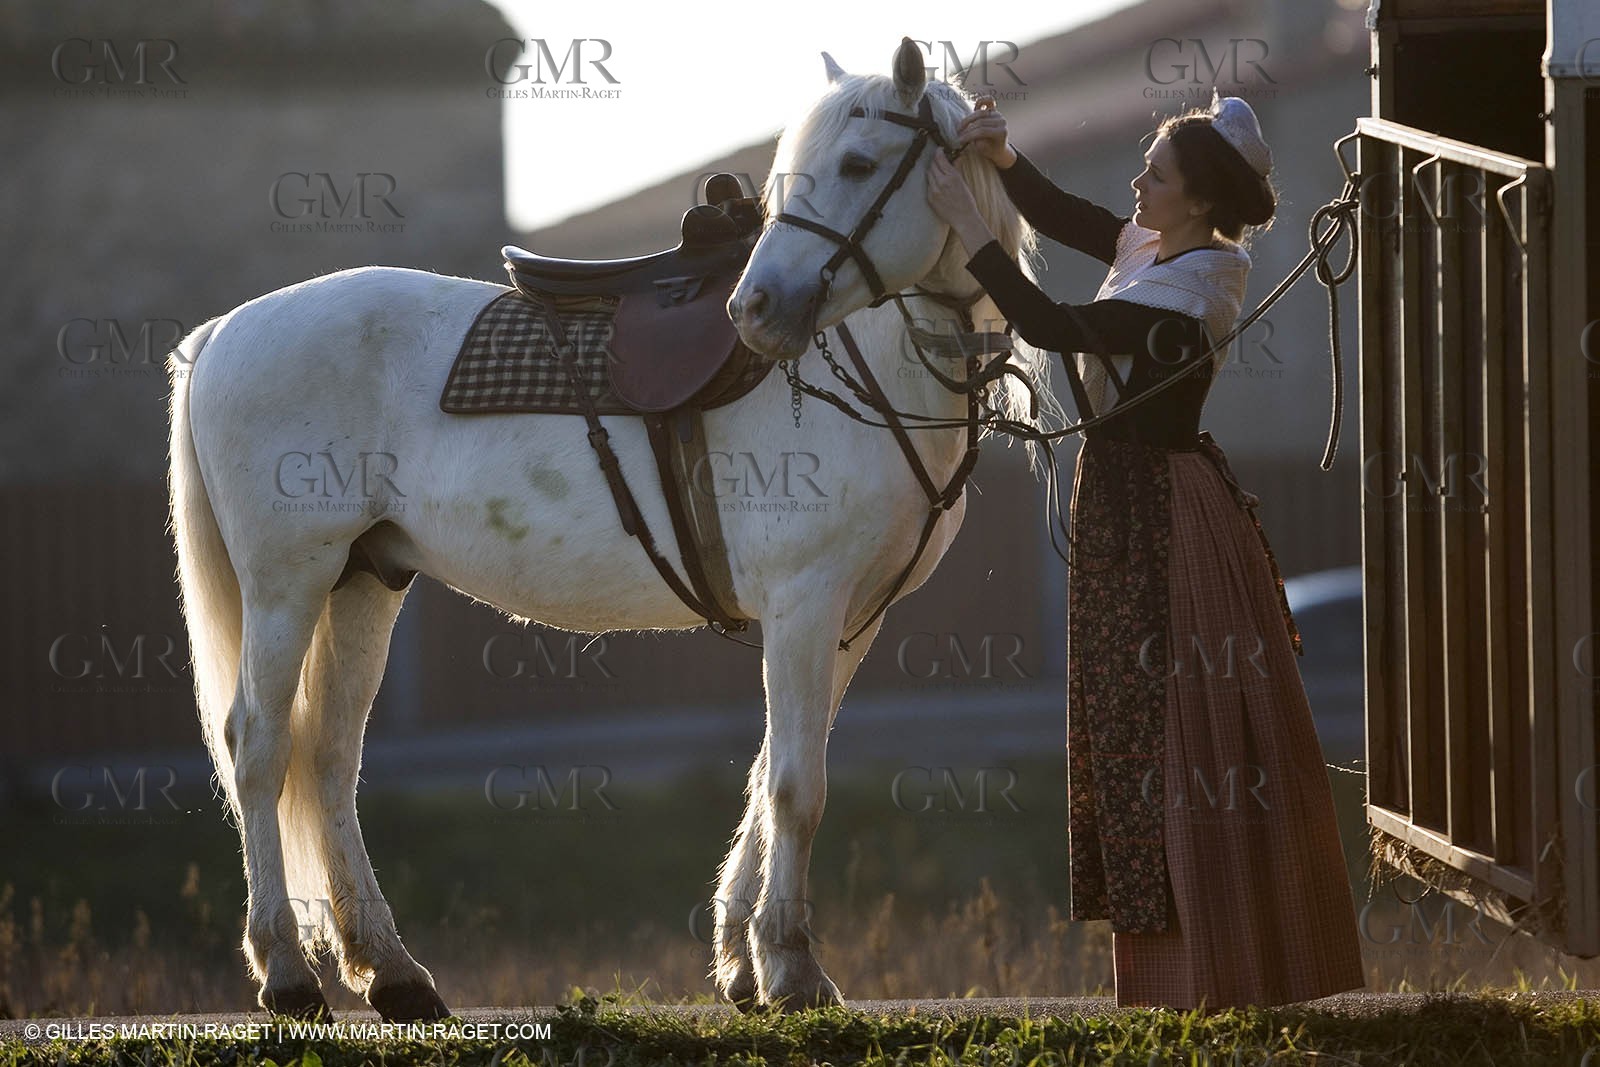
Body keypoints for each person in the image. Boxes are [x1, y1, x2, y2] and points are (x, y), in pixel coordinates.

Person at [926, 90, 1366, 1011]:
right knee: (1132, 731)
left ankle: (1226, 966)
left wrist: (970, 228)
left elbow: (1050, 325)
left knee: (1173, 732)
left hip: (1163, 515)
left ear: (1199, 203)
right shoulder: (1155, 249)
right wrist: (1003, 161)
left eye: (1155, 174)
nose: (1137, 183)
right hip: (1122, 507)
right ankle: (1174, 976)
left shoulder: (1195, 288)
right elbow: (1069, 216)